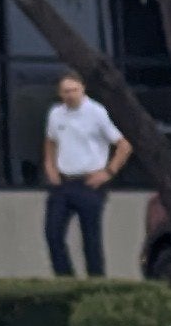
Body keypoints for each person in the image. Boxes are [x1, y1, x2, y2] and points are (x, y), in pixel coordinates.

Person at [39, 75, 127, 277]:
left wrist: (108, 172)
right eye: (66, 91)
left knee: (91, 239)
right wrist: (50, 167)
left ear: (83, 89)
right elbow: (50, 141)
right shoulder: (56, 113)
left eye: (74, 90)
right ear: (60, 93)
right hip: (63, 182)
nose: (70, 95)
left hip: (90, 183)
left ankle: (96, 282)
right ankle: (65, 279)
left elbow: (123, 145)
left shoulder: (96, 112)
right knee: (53, 234)